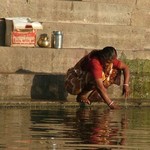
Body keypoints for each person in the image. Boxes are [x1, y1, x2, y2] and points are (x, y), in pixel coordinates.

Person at [65, 46, 130, 109]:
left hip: (88, 80)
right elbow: (100, 87)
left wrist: (126, 85)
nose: (109, 64)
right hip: (73, 82)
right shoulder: (95, 62)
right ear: (103, 58)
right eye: (108, 62)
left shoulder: (110, 60)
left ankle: (96, 95)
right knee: (97, 76)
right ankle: (82, 95)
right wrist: (111, 104)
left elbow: (125, 68)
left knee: (115, 70)